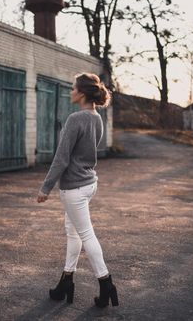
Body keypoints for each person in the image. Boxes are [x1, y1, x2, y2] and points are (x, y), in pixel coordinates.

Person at [36, 73, 119, 308]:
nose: (71, 91)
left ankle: (106, 283)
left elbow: (61, 158)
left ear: (81, 93)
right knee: (73, 232)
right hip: (89, 183)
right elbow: (88, 152)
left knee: (85, 234)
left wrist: (46, 187)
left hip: (74, 188)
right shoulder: (96, 118)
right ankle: (66, 281)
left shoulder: (75, 119)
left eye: (73, 88)